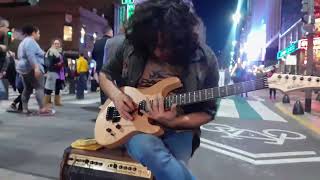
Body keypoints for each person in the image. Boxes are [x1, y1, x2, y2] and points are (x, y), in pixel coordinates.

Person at [99, 0, 219, 179]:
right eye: (152, 43)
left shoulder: (204, 59)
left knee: (169, 168)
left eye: (165, 46)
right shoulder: (131, 46)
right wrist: (116, 95)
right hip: (134, 126)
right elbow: (105, 75)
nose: (157, 51)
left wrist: (174, 122)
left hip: (180, 130)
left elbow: (208, 112)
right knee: (149, 150)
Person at [16, 25, 53, 115]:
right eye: (38, 33)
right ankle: (42, 108)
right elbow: (30, 55)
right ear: (33, 33)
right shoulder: (30, 42)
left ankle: (25, 108)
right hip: (32, 68)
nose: (39, 35)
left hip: (23, 69)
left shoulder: (23, 42)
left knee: (27, 89)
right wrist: (36, 68)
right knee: (39, 87)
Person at [92, 26, 113, 104]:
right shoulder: (111, 41)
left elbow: (93, 55)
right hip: (110, 68)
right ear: (110, 32)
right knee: (111, 88)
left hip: (100, 68)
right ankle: (109, 106)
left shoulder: (97, 43)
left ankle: (103, 105)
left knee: (103, 89)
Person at [44, 38, 65, 106]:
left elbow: (64, 61)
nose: (56, 45)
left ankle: (57, 101)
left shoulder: (60, 52)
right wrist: (56, 65)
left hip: (59, 72)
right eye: (55, 43)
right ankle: (46, 102)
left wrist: (62, 64)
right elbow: (49, 62)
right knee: (49, 88)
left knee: (58, 87)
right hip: (52, 71)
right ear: (53, 44)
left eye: (58, 43)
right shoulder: (51, 51)